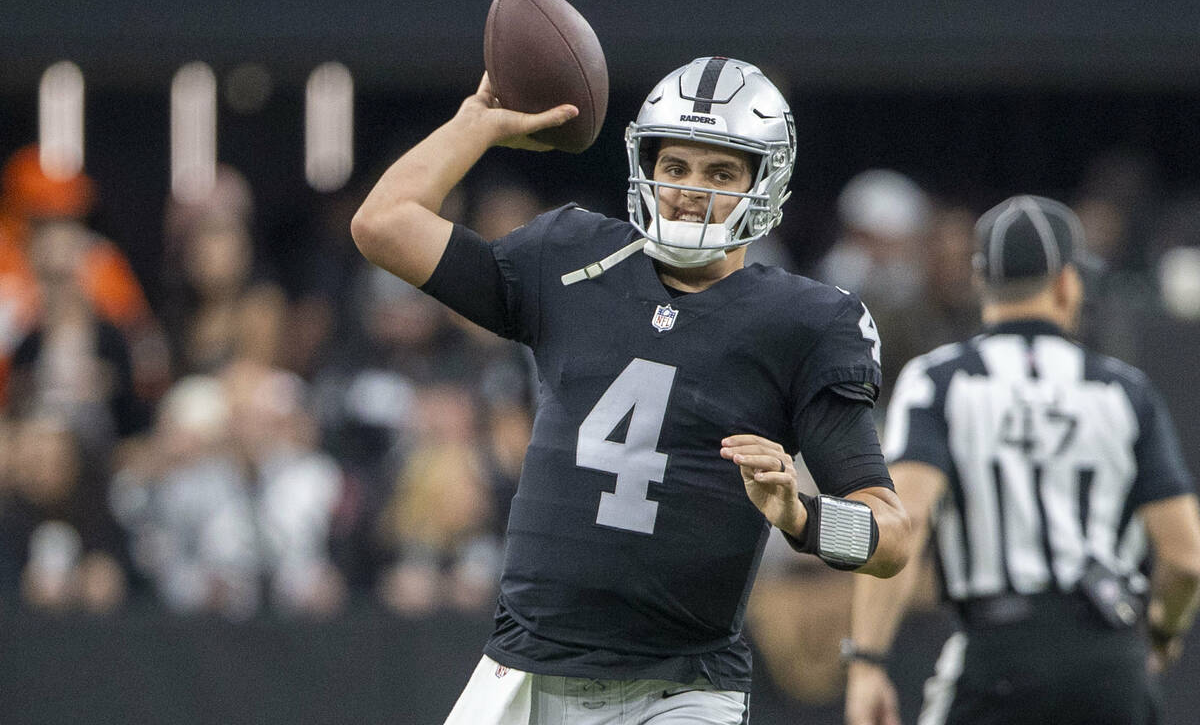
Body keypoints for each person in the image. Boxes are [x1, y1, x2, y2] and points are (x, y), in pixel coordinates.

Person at [352, 57, 911, 724]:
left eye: (721, 172)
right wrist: (475, 125)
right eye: (675, 166)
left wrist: (802, 517)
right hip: (525, 672)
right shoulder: (571, 255)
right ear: (645, 165)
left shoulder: (805, 322)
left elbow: (892, 538)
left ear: (768, 182)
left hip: (680, 691)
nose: (689, 190)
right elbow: (383, 224)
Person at [843, 195, 1200, 725]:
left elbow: (906, 522)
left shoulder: (940, 379)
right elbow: (1186, 559)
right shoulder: (1125, 390)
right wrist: (1161, 635)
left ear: (981, 281)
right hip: (1110, 656)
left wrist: (868, 661)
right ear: (1066, 281)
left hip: (999, 652)